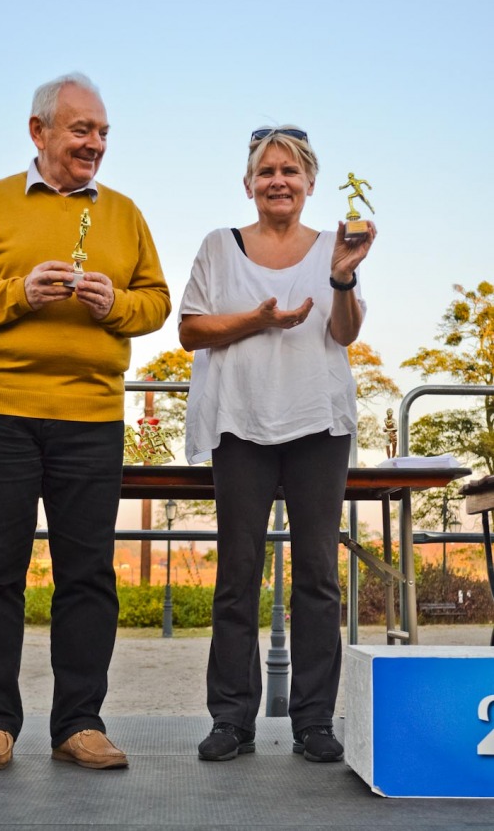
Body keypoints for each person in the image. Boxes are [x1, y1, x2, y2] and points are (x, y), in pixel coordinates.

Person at [0, 73, 171, 771]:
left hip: (91, 415)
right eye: (81, 130)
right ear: (39, 132)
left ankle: (79, 724)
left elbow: (156, 302)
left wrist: (115, 304)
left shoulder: (124, 213)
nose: (94, 143)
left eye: (103, 133)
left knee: (88, 573)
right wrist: (19, 292)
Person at [178, 126, 376, 764]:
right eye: (266, 171)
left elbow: (344, 335)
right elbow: (190, 330)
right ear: (248, 184)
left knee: (318, 574)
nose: (278, 181)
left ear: (310, 182)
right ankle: (232, 719)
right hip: (240, 423)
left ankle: (313, 721)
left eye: (290, 171)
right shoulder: (219, 246)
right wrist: (258, 319)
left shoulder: (334, 247)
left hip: (317, 423)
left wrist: (342, 279)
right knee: (237, 573)